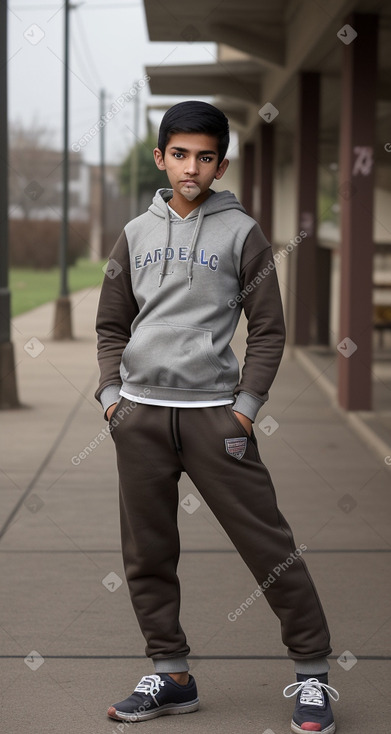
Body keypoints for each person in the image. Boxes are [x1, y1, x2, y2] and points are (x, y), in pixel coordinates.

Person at [94, 100, 339, 733]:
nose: (191, 167)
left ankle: (313, 674)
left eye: (205, 157)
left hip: (214, 420)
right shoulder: (135, 233)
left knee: (269, 547)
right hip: (141, 417)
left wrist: (246, 411)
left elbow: (269, 329)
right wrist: (110, 397)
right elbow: (111, 324)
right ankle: (171, 673)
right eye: (180, 154)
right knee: (147, 553)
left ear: (220, 163)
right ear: (160, 157)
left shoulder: (242, 233)